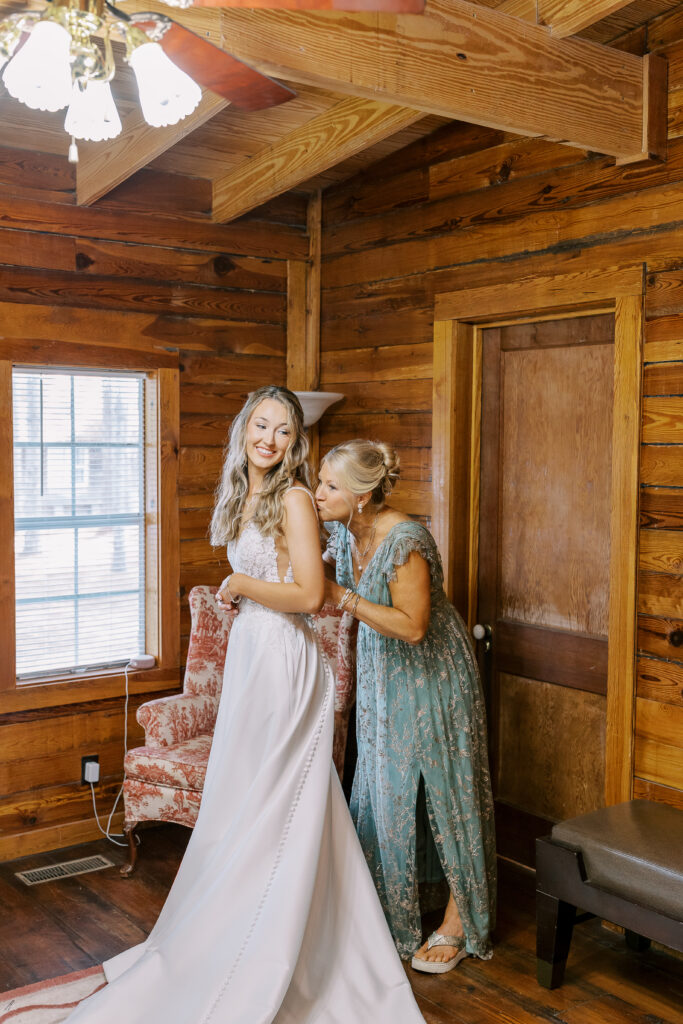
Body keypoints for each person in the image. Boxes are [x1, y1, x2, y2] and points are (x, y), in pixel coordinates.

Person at [65, 389, 424, 1023]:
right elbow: (276, 584)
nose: (271, 439)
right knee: (243, 802)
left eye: (284, 431)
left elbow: (311, 595)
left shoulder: (291, 496)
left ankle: (274, 947)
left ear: (295, 442)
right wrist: (246, 598)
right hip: (252, 658)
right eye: (262, 425)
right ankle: (233, 931)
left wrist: (238, 585)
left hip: (285, 661)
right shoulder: (245, 494)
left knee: (276, 803)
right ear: (245, 429)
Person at [316, 438, 496, 975]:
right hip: (382, 675)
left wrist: (340, 596)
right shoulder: (345, 531)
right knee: (384, 789)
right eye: (321, 482)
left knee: (445, 789)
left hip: (432, 675)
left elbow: (414, 628)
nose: (318, 493)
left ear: (363, 494)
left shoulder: (406, 539)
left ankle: (462, 922)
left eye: (330, 485)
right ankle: (387, 912)